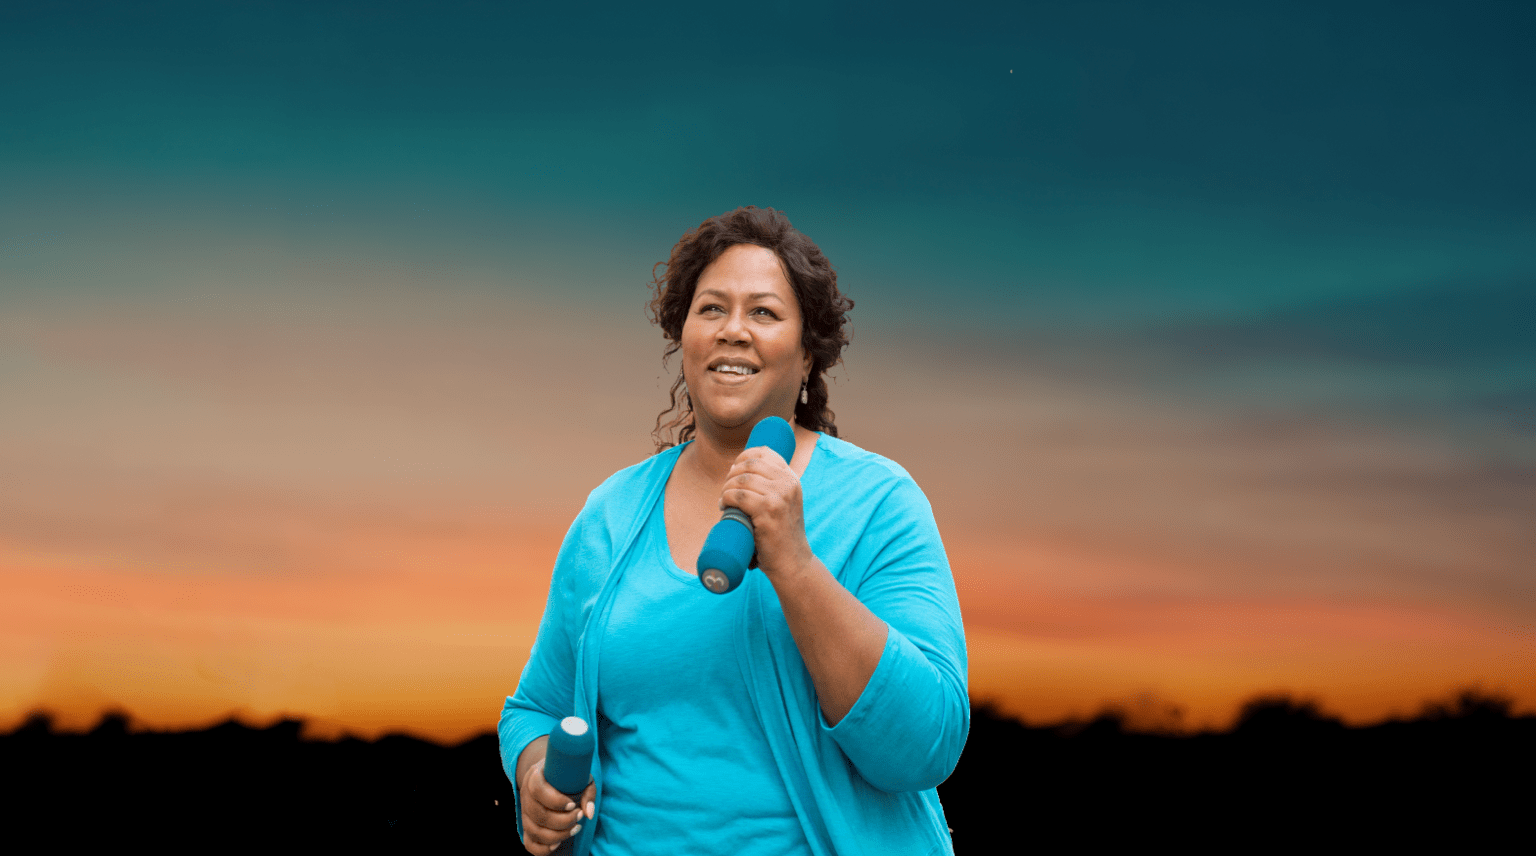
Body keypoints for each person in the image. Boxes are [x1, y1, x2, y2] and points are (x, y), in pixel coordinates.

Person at [498, 206, 968, 855]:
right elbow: (536, 709)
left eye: (765, 313)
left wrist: (795, 564)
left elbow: (925, 746)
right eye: (712, 309)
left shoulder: (879, 503)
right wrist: (534, 775)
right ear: (682, 337)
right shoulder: (610, 513)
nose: (733, 332)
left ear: (809, 353)